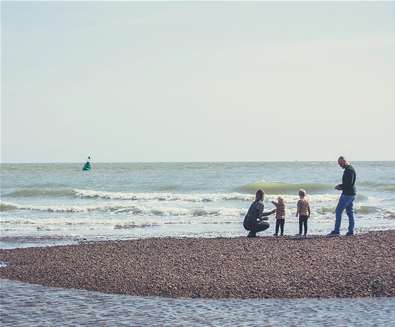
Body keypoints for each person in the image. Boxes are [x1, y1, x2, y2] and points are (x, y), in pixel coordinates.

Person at [328, 156, 357, 236]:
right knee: (349, 212)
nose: (340, 165)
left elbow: (349, 184)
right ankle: (350, 231)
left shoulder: (349, 170)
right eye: (339, 164)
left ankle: (337, 231)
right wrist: (341, 186)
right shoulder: (349, 169)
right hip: (351, 193)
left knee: (338, 211)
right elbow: (348, 183)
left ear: (344, 161)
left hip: (347, 194)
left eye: (340, 163)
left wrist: (340, 187)